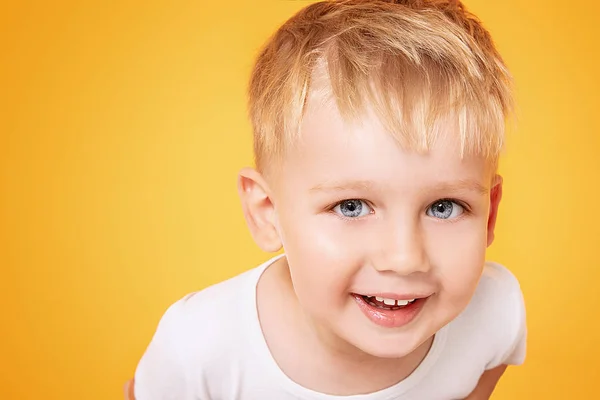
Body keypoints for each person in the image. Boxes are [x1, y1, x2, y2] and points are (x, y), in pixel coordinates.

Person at [130, 1, 527, 398]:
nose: (404, 258)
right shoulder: (198, 348)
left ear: (489, 214)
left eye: (444, 207)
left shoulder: (493, 315)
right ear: (268, 213)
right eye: (351, 206)